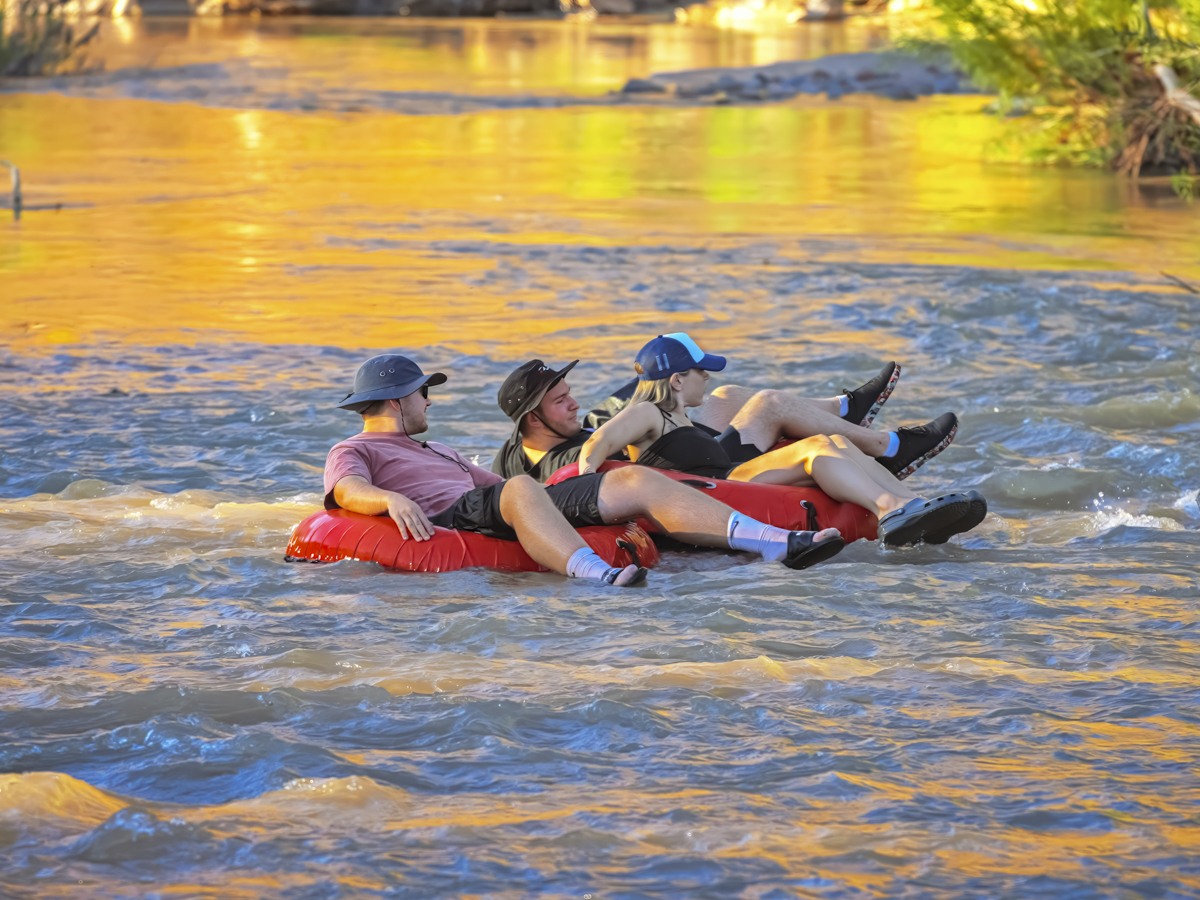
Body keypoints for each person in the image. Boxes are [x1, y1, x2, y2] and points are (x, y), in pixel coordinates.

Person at [324, 355, 847, 588]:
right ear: (396, 399)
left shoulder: (440, 449)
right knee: (524, 487)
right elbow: (346, 488)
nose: (429, 402)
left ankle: (776, 543)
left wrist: (581, 485)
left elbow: (505, 489)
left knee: (630, 479)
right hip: (450, 519)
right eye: (423, 392)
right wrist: (389, 501)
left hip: (502, 503)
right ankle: (596, 577)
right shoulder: (355, 448)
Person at [578, 335, 988, 547]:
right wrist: (585, 486)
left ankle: (910, 506)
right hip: (720, 486)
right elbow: (597, 443)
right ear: (677, 380)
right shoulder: (648, 411)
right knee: (820, 447)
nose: (708, 377)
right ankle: (890, 510)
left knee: (836, 443)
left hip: (727, 471)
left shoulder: (677, 412)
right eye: (702, 372)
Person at [493, 349, 956, 484]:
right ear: (533, 419)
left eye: (570, 394)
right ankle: (888, 448)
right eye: (561, 400)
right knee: (768, 404)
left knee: (728, 393)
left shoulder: (525, 448)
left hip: (677, 451)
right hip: (693, 472)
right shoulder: (538, 465)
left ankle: (844, 409)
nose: (573, 404)